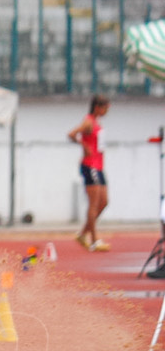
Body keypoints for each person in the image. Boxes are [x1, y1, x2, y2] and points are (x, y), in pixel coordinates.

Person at [67, 95, 110, 252]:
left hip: (98, 167)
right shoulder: (88, 122)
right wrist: (83, 144)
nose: (107, 112)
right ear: (98, 107)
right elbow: (71, 134)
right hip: (90, 165)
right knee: (94, 203)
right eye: (105, 108)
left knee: (104, 202)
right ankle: (94, 239)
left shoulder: (96, 123)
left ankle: (83, 233)